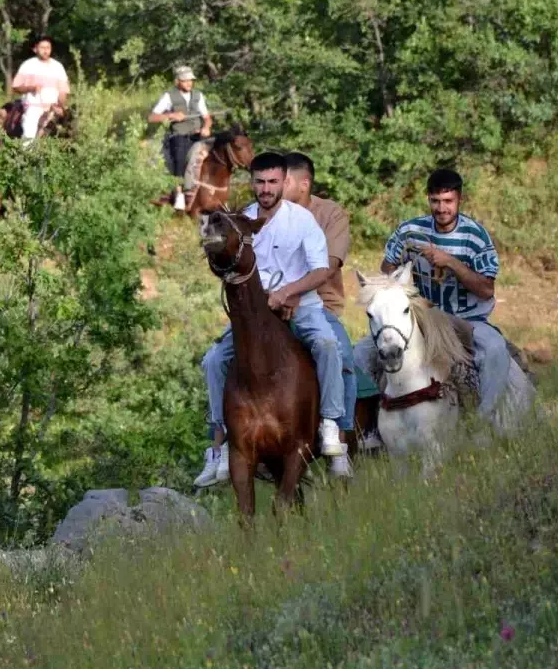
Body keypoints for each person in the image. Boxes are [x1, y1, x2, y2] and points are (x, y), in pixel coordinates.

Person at [193, 152, 346, 488]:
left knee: (327, 344)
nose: (265, 188)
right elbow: (227, 266)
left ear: (283, 183)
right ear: (252, 183)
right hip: (256, 314)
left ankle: (331, 424)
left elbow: (321, 269)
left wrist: (289, 293)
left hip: (301, 305)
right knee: (214, 359)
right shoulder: (241, 219)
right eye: (259, 182)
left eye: (272, 182)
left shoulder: (301, 220)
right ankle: (219, 445)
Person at [354, 168, 512, 425]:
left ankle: (485, 418)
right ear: (428, 199)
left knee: (495, 349)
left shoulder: (475, 236)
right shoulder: (410, 230)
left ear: (459, 199)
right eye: (435, 201)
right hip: (423, 314)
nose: (441, 208)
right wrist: (400, 274)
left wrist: (450, 262)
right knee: (361, 352)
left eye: (448, 201)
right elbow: (387, 268)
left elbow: (486, 289)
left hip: (468, 318)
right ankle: (371, 423)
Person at [282, 152, 354, 479]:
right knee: (225, 355)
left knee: (343, 355)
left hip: (320, 303)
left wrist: (295, 293)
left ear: (304, 184)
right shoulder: (271, 214)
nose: (275, 187)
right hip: (277, 303)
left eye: (284, 181)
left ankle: (342, 437)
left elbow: (331, 265)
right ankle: (226, 445)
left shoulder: (332, 215)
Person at [148, 66, 212, 210]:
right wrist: (171, 115)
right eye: (185, 80)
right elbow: (152, 117)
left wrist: (206, 127)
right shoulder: (169, 96)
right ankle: (179, 194)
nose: (189, 83)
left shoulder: (198, 95)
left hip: (197, 134)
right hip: (179, 136)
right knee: (179, 156)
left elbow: (207, 117)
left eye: (191, 80)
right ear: (178, 81)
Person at [11, 35, 70, 143]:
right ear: (35, 49)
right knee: (29, 131)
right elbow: (16, 87)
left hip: (53, 107)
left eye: (48, 48)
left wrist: (61, 106)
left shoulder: (58, 67)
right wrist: (30, 88)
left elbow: (63, 91)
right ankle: (27, 155)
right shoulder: (28, 65)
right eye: (42, 48)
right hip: (34, 106)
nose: (45, 51)